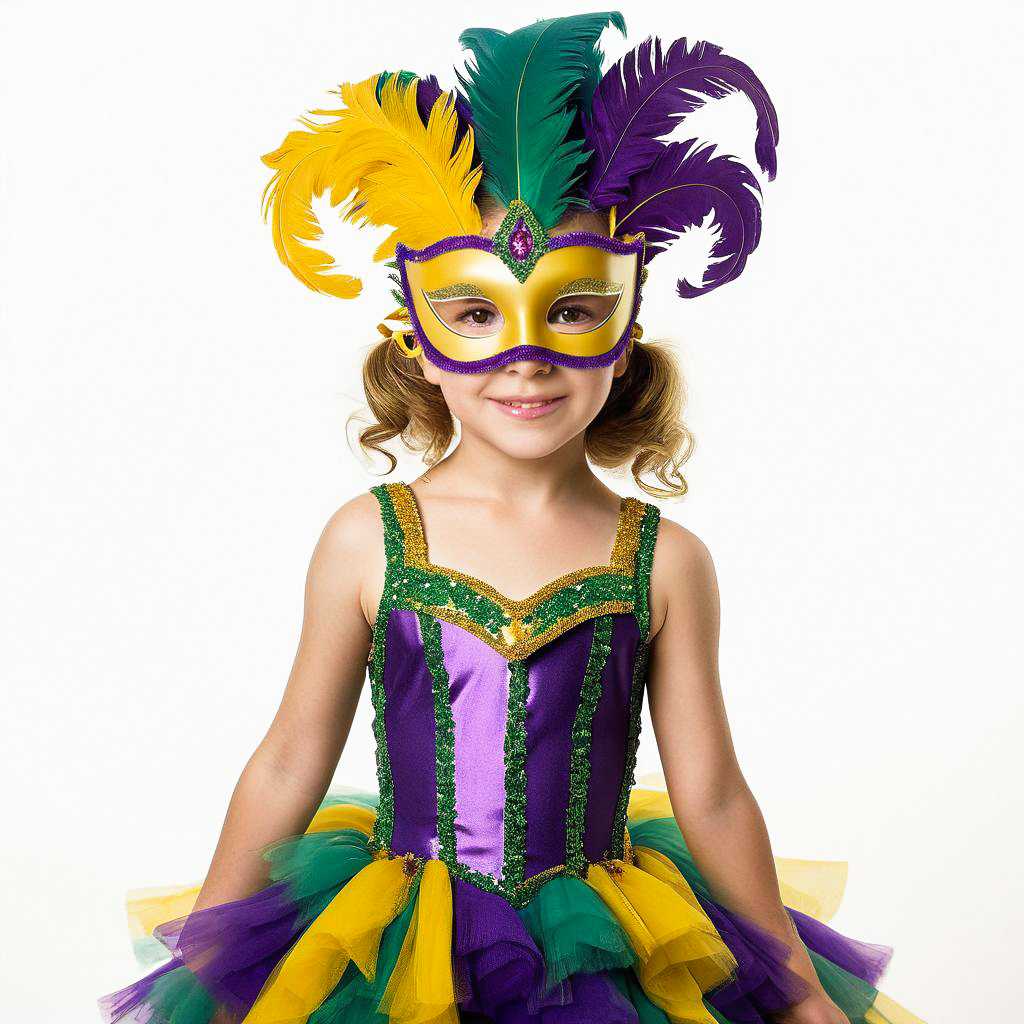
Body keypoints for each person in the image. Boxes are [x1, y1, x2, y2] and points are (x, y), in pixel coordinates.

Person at [98, 13, 925, 1024]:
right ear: (419, 336)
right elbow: (286, 760)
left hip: (610, 956)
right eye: (476, 313)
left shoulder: (667, 561)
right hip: (396, 952)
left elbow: (709, 794)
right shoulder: (368, 538)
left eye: (571, 310)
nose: (523, 357)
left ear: (623, 337)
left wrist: (799, 997)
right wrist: (216, 976)